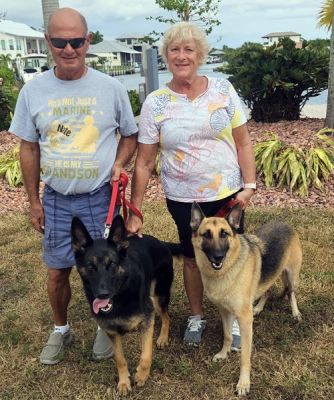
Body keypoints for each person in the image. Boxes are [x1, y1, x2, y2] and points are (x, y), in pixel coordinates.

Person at [9, 8, 138, 364]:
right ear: (49, 41)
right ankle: (60, 329)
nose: (69, 49)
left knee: (105, 266)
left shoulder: (110, 88)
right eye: (61, 42)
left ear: (88, 41)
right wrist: (34, 201)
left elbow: (130, 135)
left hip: (99, 198)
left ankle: (103, 323)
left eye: (77, 41)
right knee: (57, 270)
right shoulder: (33, 91)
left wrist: (117, 163)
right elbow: (29, 147)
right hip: (56, 200)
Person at [126, 22, 256, 347]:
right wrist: (135, 210)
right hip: (184, 199)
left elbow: (243, 143)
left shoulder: (223, 90)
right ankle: (197, 316)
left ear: (200, 55)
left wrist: (249, 185)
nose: (181, 56)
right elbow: (143, 162)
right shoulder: (155, 103)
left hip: (228, 193)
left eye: (188, 49)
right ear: (165, 56)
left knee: (234, 252)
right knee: (190, 256)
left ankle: (237, 317)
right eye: (174, 50)